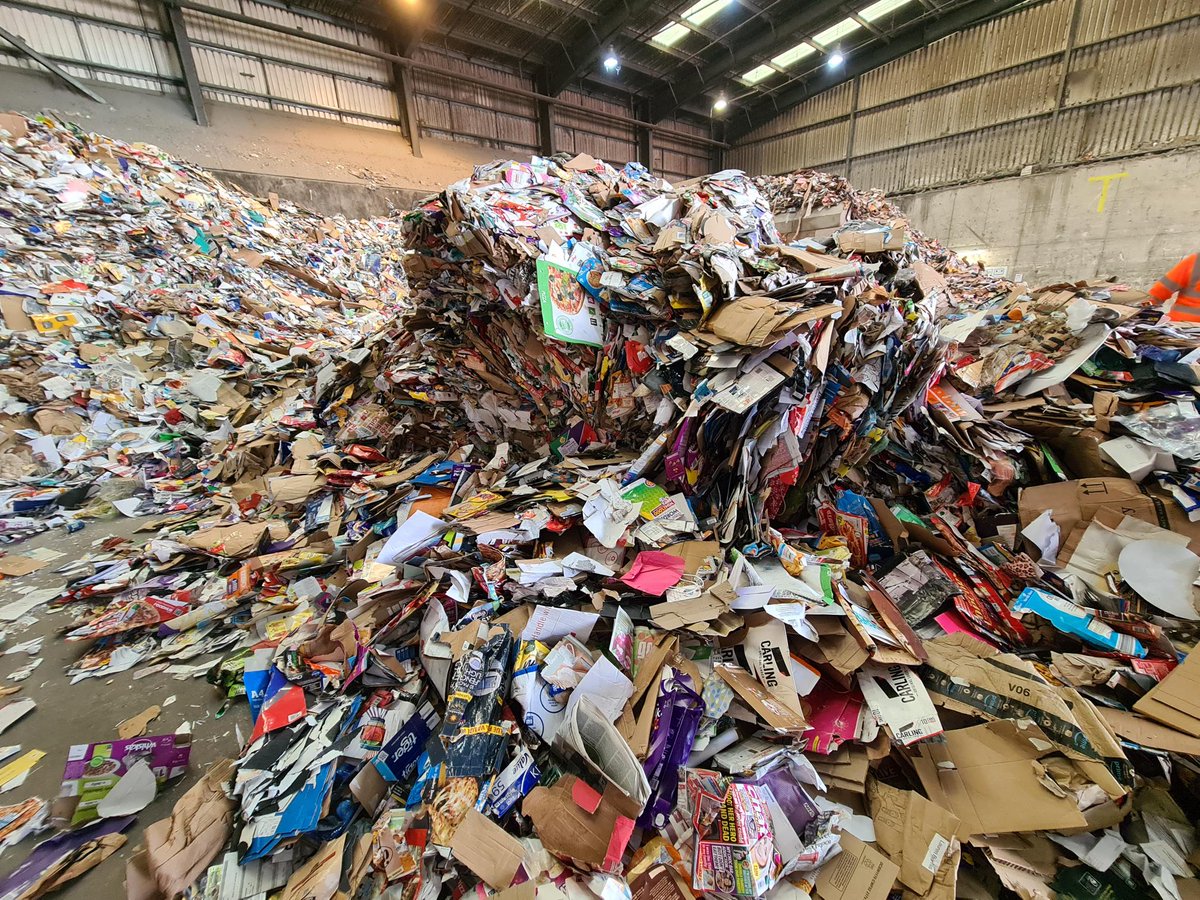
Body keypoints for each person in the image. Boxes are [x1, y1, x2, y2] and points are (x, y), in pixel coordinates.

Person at [1149, 252, 1200, 324]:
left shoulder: (1195, 261)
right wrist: (1139, 308)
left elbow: (1158, 293)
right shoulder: (1195, 261)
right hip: (1180, 326)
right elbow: (1157, 294)